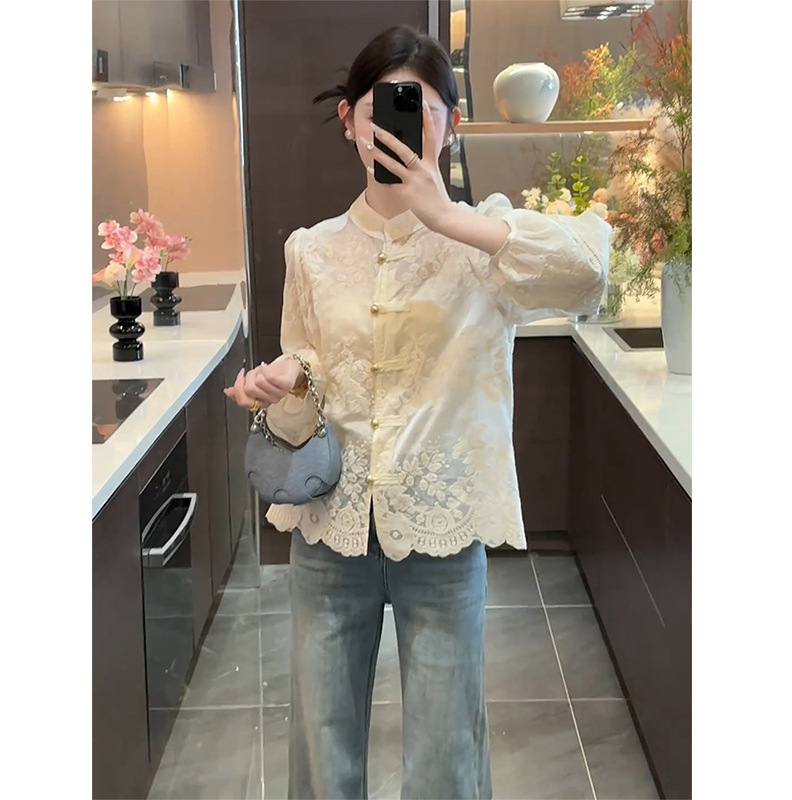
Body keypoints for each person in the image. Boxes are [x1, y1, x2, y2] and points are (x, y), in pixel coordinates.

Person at [225, 24, 610, 800]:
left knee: (445, 756)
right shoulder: (311, 250)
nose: (402, 125)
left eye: (423, 108)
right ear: (349, 121)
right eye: (381, 108)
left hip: (442, 533)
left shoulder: (485, 242)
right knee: (322, 749)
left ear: (450, 124)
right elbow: (310, 388)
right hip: (331, 531)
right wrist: (287, 384)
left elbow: (590, 272)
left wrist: (448, 217)